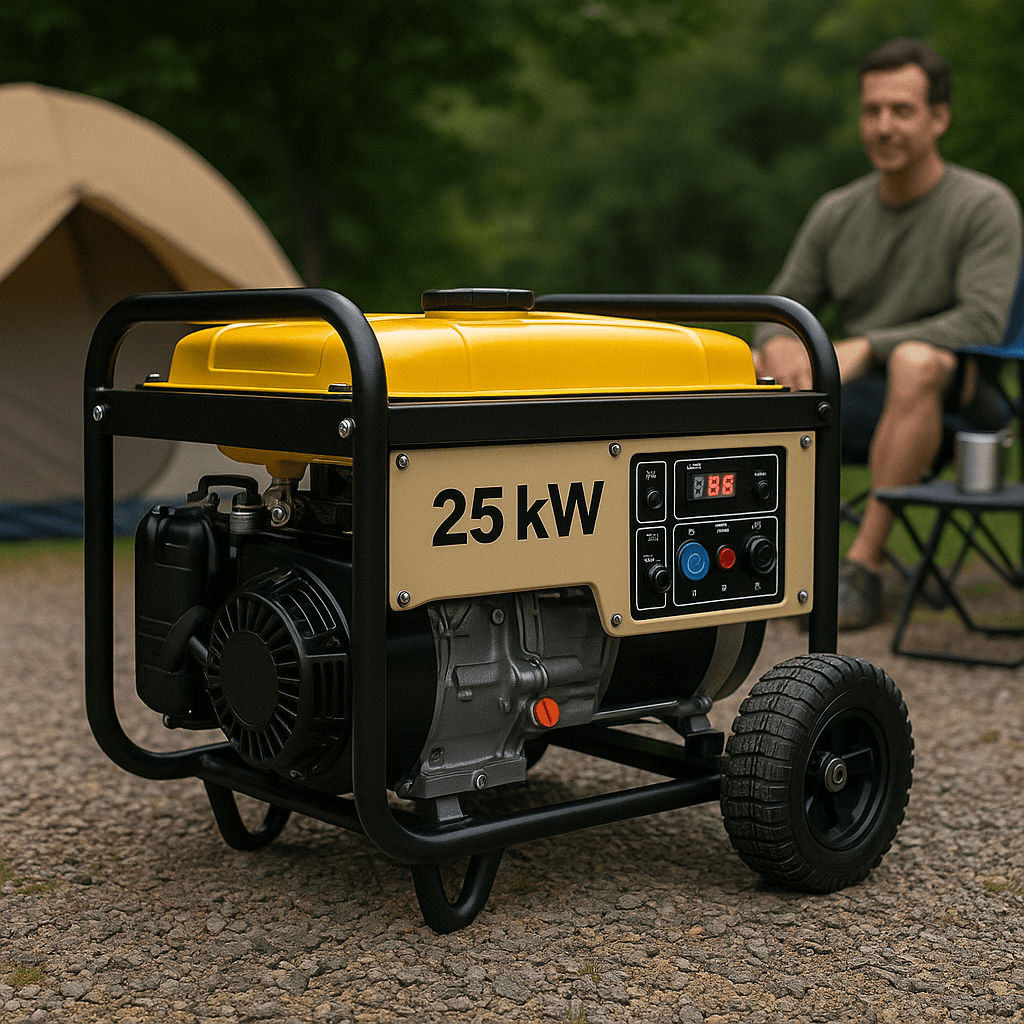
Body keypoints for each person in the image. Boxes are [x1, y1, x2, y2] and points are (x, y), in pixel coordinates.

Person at [752, 37, 1023, 629]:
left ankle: (862, 569)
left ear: (939, 119)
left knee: (915, 362)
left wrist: (866, 345)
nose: (883, 126)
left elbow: (982, 320)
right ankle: (751, 562)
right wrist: (773, 342)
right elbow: (780, 307)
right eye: (872, 111)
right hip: (861, 396)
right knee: (757, 368)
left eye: (902, 110)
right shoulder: (837, 212)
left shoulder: (985, 206)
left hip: (963, 400)